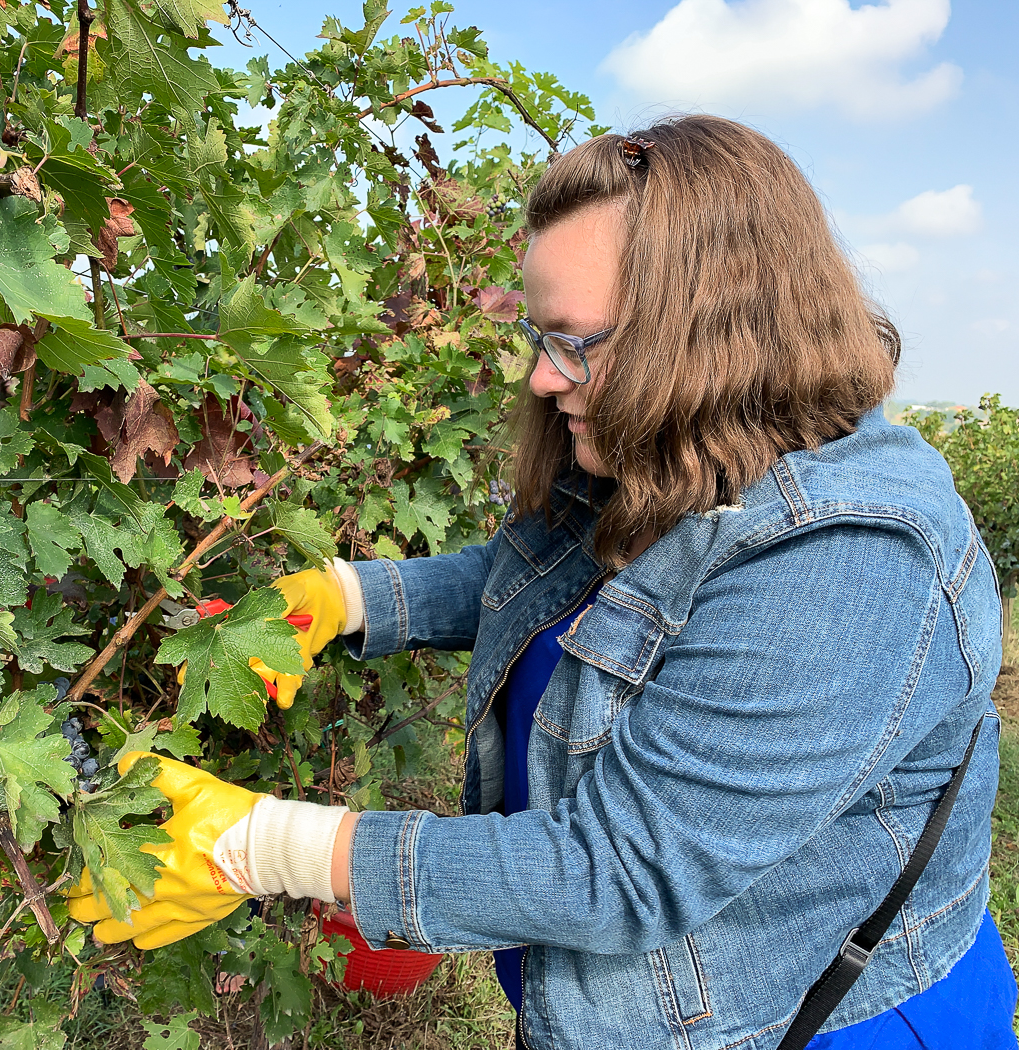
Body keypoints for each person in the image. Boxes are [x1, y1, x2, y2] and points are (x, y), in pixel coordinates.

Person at [69, 116, 1017, 1049]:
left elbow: (623, 871)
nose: (539, 378)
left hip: (790, 1022)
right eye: (537, 336)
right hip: (598, 990)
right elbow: (556, 584)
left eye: (573, 342)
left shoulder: (852, 560)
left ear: (710, 332)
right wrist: (345, 597)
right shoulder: (676, 458)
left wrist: (268, 846)